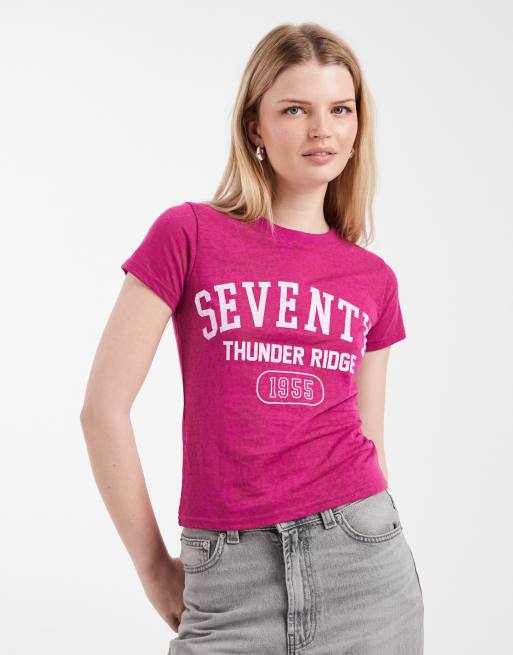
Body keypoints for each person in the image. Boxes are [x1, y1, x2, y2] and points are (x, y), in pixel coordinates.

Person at [80, 21, 424, 655]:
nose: (322, 129)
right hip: (228, 580)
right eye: (295, 109)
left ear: (357, 126)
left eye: (340, 109)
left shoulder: (373, 279)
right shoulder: (188, 234)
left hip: (364, 568)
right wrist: (154, 569)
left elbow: (371, 440)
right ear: (254, 128)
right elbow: (102, 410)